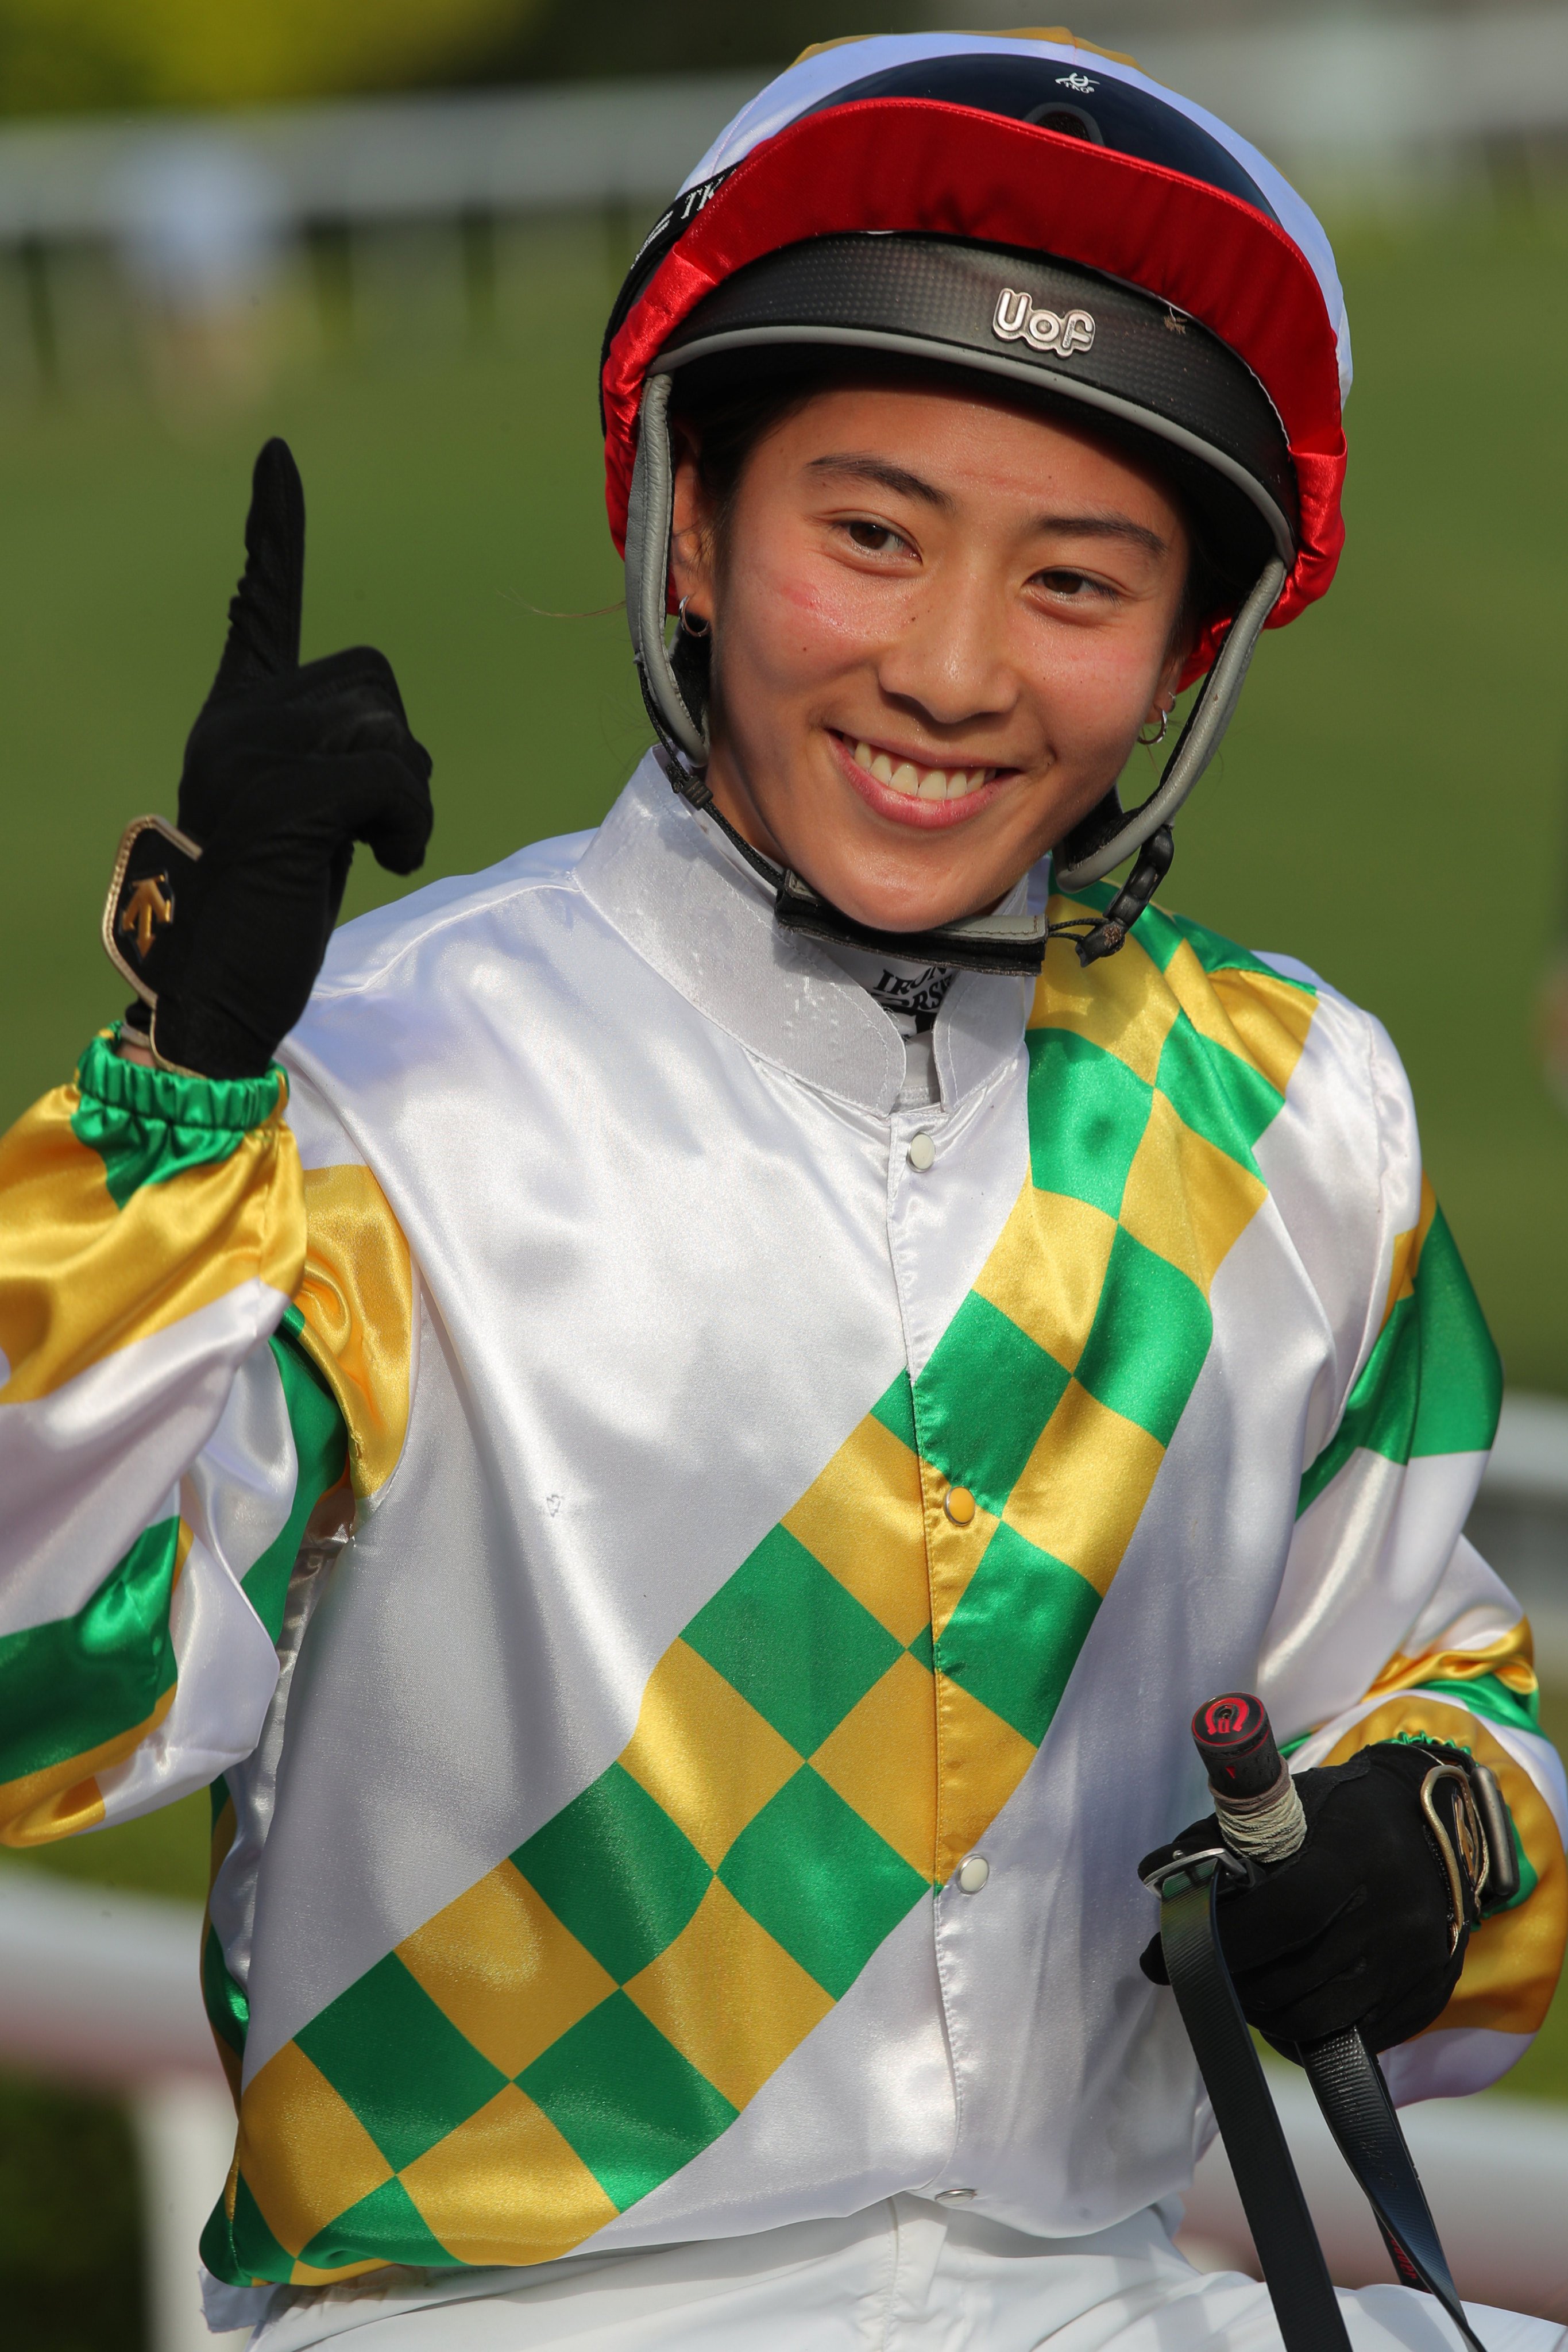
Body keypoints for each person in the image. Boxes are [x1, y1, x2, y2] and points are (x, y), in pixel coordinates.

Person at [2, 28, 1563, 2352]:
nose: (947, 667)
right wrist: (175, 1104)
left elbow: (1436, 1682)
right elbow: (43, 1702)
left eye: (1073, 581)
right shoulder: (365, 1085)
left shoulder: (1292, 1112)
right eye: (868, 531)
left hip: (1102, 2296)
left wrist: (1423, 1849)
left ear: (1178, 661)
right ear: (694, 525)